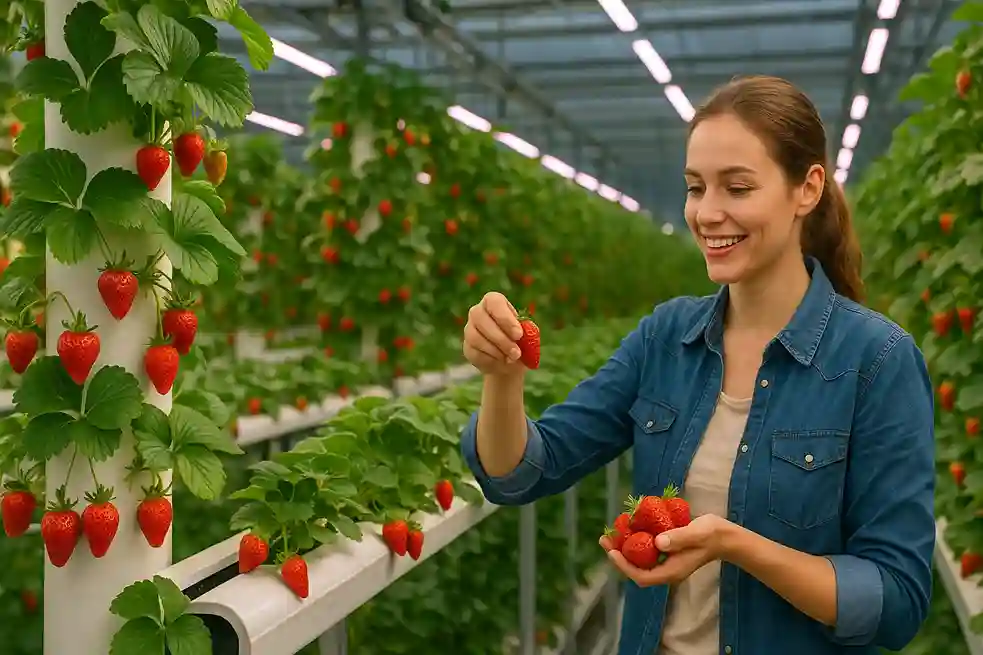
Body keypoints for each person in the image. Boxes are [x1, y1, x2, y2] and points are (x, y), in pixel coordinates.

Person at [459, 75, 935, 655]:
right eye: (694, 187)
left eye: (737, 188)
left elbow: (896, 599)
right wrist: (502, 379)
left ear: (807, 189)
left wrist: (736, 545)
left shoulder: (876, 361)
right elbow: (523, 471)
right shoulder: (666, 338)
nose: (708, 213)